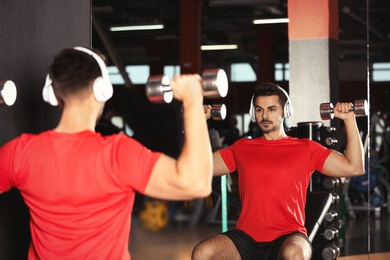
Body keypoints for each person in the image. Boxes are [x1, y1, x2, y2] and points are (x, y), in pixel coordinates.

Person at [0, 47, 213, 259]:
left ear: (53, 95)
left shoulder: (22, 152)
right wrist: (193, 101)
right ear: (102, 90)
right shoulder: (118, 154)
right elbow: (197, 183)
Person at [192, 82, 365, 260]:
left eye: (272, 109)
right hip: (246, 238)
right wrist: (198, 121)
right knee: (202, 253)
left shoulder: (305, 148)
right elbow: (199, 167)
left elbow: (354, 167)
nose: (265, 115)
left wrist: (349, 119)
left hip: (288, 236)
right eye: (259, 110)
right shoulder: (242, 147)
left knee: (295, 254)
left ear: (285, 111)